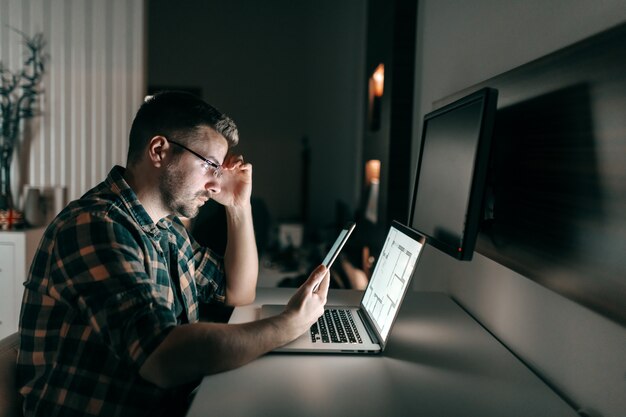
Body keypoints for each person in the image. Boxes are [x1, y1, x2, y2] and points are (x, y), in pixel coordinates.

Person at [16, 91, 330, 417]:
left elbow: (238, 291)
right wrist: (286, 326)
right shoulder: (95, 226)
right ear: (158, 151)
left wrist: (239, 206)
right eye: (210, 165)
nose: (214, 183)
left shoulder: (167, 229)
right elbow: (161, 358)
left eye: (219, 170)